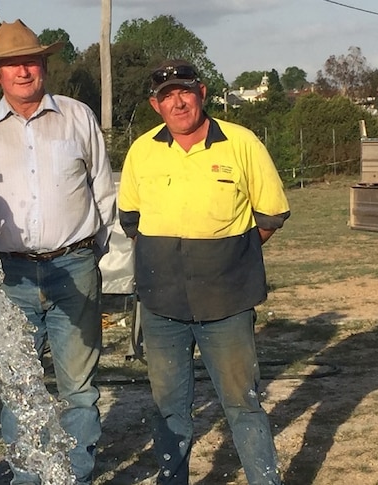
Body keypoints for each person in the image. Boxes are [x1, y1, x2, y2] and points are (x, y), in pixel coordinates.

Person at [0, 19, 116, 485]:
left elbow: (102, 190)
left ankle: (76, 476)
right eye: (11, 65)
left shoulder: (78, 116)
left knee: (78, 391)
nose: (22, 71)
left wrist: (90, 253)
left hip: (75, 266)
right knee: (18, 390)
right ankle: (27, 478)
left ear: (44, 65)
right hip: (10, 276)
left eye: (30, 61)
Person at [117, 59, 290, 485]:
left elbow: (269, 217)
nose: (177, 102)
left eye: (185, 91)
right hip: (162, 307)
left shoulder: (242, 142)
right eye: (166, 95)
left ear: (202, 92)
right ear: (155, 104)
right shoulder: (142, 150)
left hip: (227, 303)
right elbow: (132, 222)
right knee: (168, 409)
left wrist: (225, 259)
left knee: (243, 404)